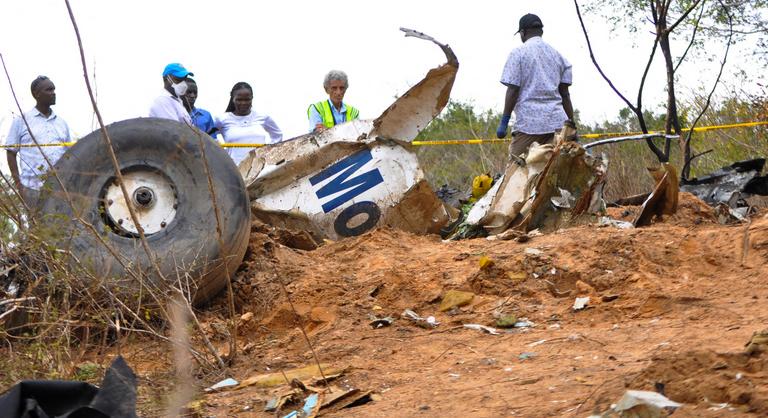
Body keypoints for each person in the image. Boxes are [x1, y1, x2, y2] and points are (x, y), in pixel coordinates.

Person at [496, 13, 574, 158]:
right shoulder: (559, 57)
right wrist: (572, 126)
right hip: (557, 124)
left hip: (529, 125)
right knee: (555, 172)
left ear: (523, 32)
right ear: (541, 31)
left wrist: (504, 121)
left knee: (516, 172)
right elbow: (565, 94)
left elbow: (513, 90)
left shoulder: (518, 53)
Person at [5, 75, 72, 207]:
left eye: (54, 89)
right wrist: (19, 186)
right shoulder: (22, 120)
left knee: (62, 227)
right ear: (36, 94)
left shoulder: (62, 123)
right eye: (49, 90)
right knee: (37, 226)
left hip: (60, 189)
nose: (53, 93)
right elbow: (11, 152)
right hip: (31, 189)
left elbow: (69, 155)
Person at [215, 82, 282, 165]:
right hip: (234, 170)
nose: (243, 103)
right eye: (239, 99)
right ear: (233, 99)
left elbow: (277, 135)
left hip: (259, 169)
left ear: (252, 98)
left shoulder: (263, 117)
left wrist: (268, 151)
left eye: (247, 99)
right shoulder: (221, 119)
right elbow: (209, 138)